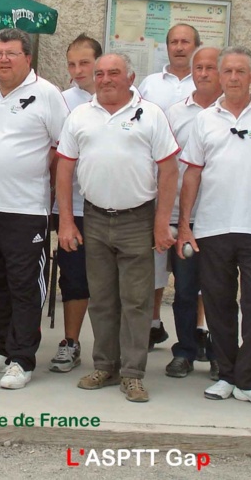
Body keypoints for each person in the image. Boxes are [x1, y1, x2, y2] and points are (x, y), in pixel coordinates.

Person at [56, 52, 180, 402]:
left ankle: (133, 373)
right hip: (94, 218)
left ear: (131, 76)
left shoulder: (151, 114)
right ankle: (105, 366)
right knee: (102, 299)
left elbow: (169, 170)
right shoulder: (80, 116)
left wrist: (161, 223)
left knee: (137, 300)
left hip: (137, 219)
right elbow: (64, 169)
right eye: (100, 73)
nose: (106, 79)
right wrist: (66, 221)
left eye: (114, 73)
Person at [177, 45, 251, 409]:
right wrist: (184, 224)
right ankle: (227, 374)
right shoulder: (204, 119)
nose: (232, 78)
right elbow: (192, 173)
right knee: (218, 303)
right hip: (213, 227)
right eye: (226, 71)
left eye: (240, 71)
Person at [0, 28, 68, 390]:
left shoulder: (48, 95)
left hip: (25, 209)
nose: (3, 59)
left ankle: (22, 359)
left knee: (24, 285)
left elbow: (65, 148)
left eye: (10, 53)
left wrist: (55, 198)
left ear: (28, 58)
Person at [138, 23, 201, 349]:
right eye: (174, 42)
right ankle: (152, 323)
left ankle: (199, 331)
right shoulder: (150, 84)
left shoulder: (205, 81)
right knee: (156, 266)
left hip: (198, 195)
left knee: (196, 274)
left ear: (196, 46)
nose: (179, 47)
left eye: (185, 42)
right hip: (158, 190)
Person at [163, 46, 221, 380]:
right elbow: (166, 164)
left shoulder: (233, 113)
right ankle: (184, 351)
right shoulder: (175, 113)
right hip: (183, 216)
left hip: (220, 216)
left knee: (217, 290)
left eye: (210, 67)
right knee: (184, 289)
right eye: (198, 67)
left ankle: (218, 353)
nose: (202, 73)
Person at [48, 33, 101, 373]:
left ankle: (116, 347)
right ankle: (71, 342)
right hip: (75, 207)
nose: (78, 70)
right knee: (75, 277)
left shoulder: (133, 100)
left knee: (117, 281)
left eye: (85, 62)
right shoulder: (61, 100)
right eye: (72, 64)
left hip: (119, 209)